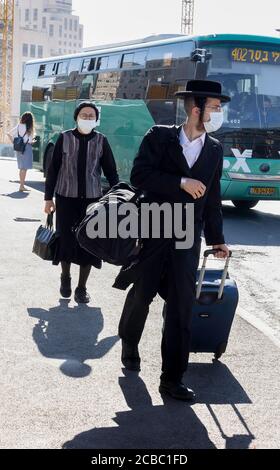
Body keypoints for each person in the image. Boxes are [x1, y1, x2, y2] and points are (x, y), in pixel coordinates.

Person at [113, 80, 231, 401]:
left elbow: (213, 198)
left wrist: (217, 238)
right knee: (143, 294)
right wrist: (181, 181)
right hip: (154, 225)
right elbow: (140, 176)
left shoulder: (215, 149)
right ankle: (129, 342)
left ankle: (172, 379)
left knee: (181, 305)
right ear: (197, 109)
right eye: (215, 108)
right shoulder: (160, 137)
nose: (220, 113)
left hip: (187, 236)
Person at [44, 102, 119, 304]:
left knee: (90, 244)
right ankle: (65, 276)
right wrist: (48, 198)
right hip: (66, 199)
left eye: (91, 116)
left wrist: (118, 198)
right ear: (76, 117)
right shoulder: (64, 138)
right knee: (66, 240)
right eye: (84, 115)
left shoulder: (101, 141)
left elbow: (111, 172)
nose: (87, 118)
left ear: (96, 120)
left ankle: (82, 288)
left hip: (93, 201)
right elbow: (53, 170)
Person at [7, 112, 36, 192]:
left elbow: (9, 134)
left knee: (21, 167)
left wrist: (14, 142)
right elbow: (30, 141)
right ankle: (21, 186)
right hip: (27, 148)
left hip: (19, 148)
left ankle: (21, 185)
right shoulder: (29, 127)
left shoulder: (19, 126)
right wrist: (33, 141)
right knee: (24, 168)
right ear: (30, 120)